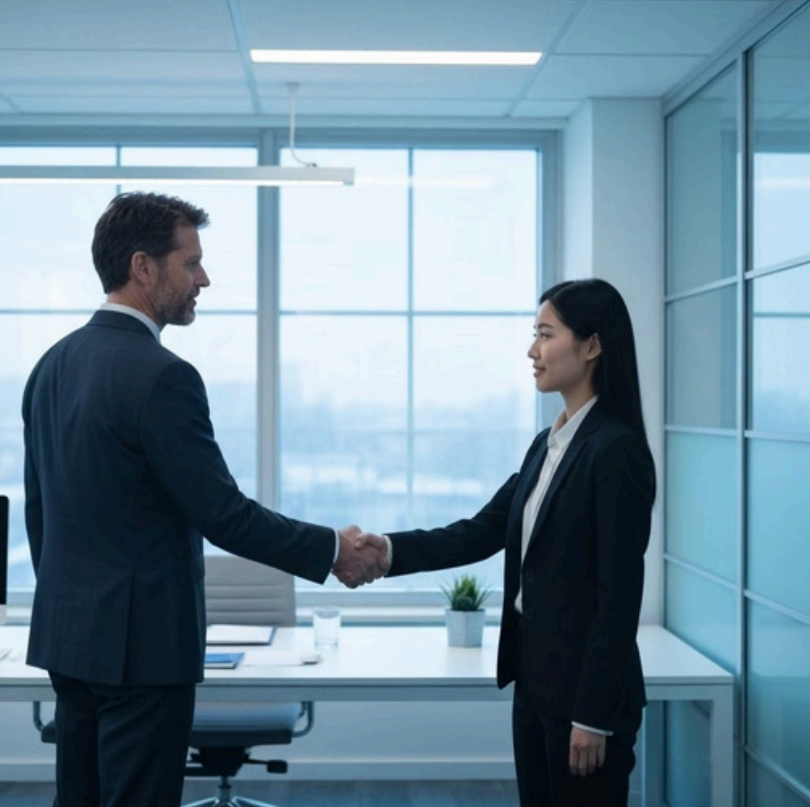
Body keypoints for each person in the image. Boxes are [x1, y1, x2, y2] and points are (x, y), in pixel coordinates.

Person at [22, 191, 384, 807]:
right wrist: (332, 550)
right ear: (143, 267)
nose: (204, 279)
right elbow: (222, 513)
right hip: (144, 652)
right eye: (190, 263)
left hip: (69, 638)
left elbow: (42, 513)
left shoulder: (51, 366)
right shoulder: (162, 375)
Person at [342, 279, 656, 807]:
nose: (532, 351)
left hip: (585, 699)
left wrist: (593, 717)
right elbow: (480, 531)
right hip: (536, 682)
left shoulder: (615, 451)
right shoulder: (549, 444)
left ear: (593, 346)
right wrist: (386, 551)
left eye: (545, 334)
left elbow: (618, 597)